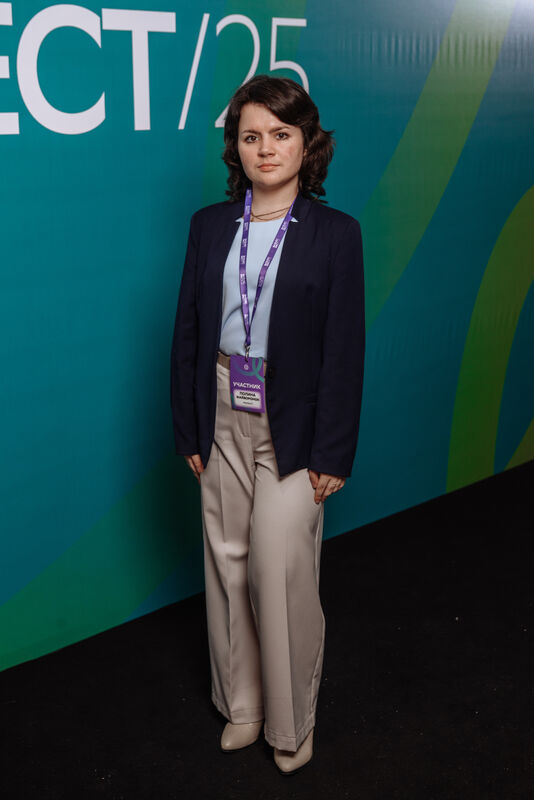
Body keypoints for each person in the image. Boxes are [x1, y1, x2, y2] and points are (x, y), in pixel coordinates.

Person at [170, 74, 365, 774]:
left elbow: (345, 347)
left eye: (281, 134)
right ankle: (243, 705)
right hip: (222, 403)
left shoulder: (337, 234)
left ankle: (290, 721)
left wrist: (333, 451)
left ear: (307, 143)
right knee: (227, 560)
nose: (266, 148)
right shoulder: (208, 226)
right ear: (236, 149)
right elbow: (189, 331)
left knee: (278, 567)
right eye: (251, 136)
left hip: (297, 419)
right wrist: (189, 428)